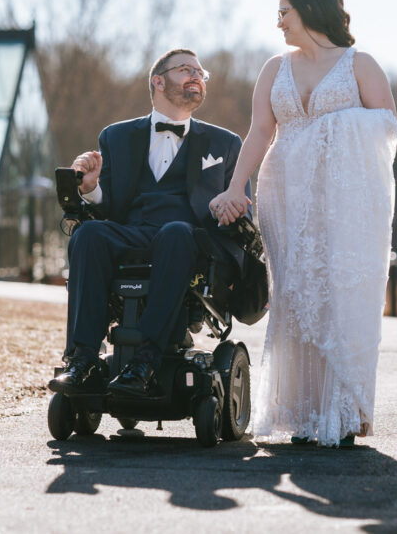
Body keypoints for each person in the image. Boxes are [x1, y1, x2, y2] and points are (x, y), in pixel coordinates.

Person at [209, 0, 397, 448]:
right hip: (285, 191)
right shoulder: (274, 68)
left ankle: (343, 411)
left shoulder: (361, 64)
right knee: (293, 292)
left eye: (284, 12)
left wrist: (332, 130)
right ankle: (299, 411)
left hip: (344, 198)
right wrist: (235, 186)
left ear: (310, 12)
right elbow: (259, 133)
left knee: (337, 291)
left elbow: (387, 125)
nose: (278, 22)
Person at [49, 48, 251, 398]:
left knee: (176, 233)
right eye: (186, 69)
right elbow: (108, 206)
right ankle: (82, 361)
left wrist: (230, 210)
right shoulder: (116, 136)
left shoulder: (226, 143)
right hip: (133, 232)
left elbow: (242, 210)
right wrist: (92, 188)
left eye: (202, 73)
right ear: (158, 81)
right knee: (88, 234)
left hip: (191, 242)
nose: (197, 77)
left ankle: (146, 360)